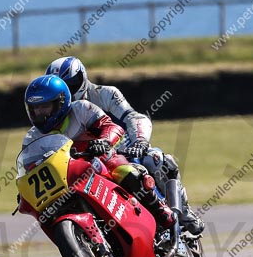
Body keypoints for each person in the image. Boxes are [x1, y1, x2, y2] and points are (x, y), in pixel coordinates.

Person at [45, 56, 204, 234]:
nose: (67, 93)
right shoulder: (55, 117)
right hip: (89, 164)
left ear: (82, 78)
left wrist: (140, 142)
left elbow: (133, 117)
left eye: (71, 85)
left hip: (125, 152)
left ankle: (183, 212)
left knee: (158, 160)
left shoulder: (106, 94)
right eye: (61, 90)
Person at [22, 74, 176, 234]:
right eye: (35, 109)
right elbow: (30, 167)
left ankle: (159, 209)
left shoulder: (81, 109)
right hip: (68, 177)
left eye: (44, 107)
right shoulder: (31, 138)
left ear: (60, 101)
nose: (40, 113)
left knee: (124, 170)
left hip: (99, 160)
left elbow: (111, 126)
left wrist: (104, 141)